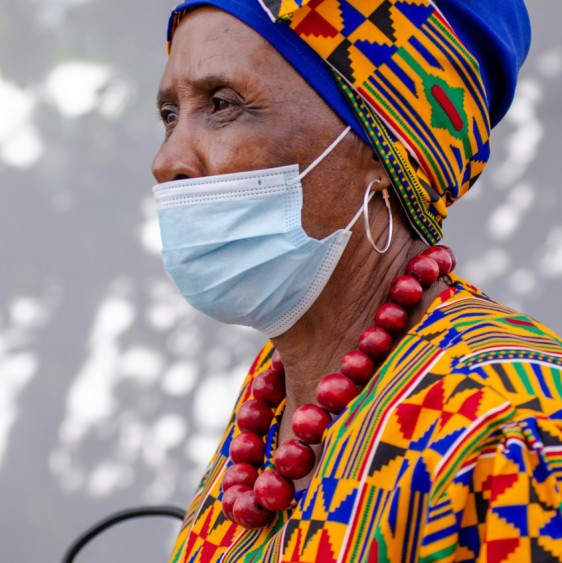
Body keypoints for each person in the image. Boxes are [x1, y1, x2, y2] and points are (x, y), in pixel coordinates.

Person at [150, 0, 562, 561]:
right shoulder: (273, 399)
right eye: (171, 115)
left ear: (385, 148)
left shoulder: (517, 426)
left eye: (224, 104)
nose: (167, 158)